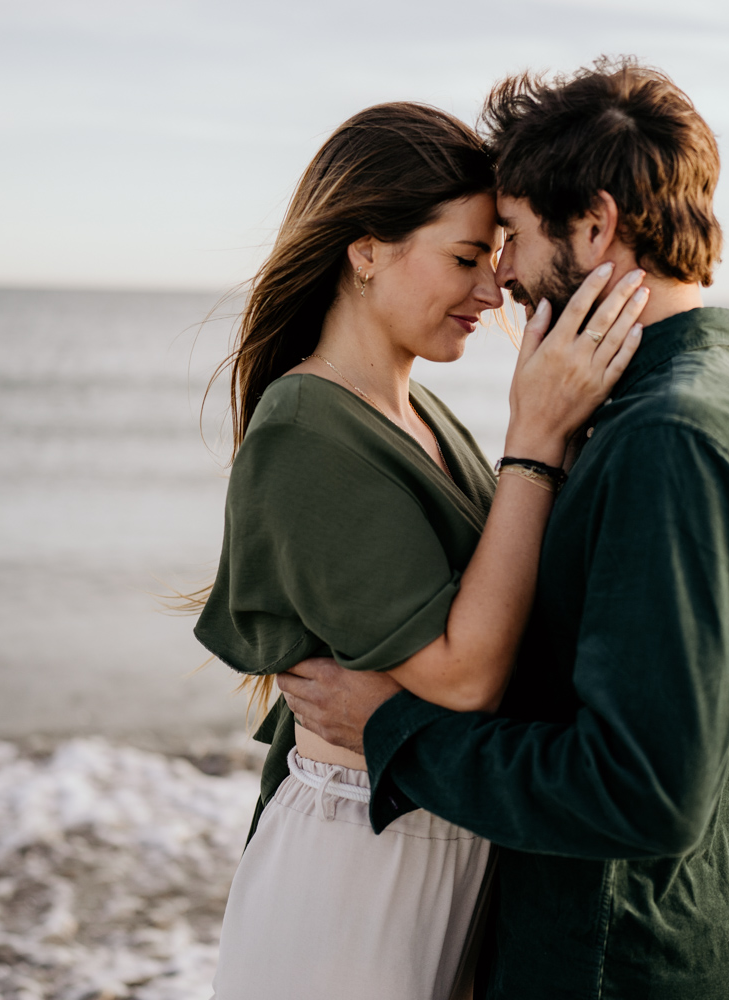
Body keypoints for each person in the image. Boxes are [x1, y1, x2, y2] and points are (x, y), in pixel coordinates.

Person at [277, 58, 729, 999]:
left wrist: (394, 730)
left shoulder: (668, 440)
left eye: (513, 235)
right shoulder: (701, 410)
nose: (508, 274)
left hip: (608, 970)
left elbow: (640, 791)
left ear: (596, 225)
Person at [192, 102, 647, 1000]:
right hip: (355, 871)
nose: (493, 291)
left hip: (442, 843)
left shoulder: (422, 416)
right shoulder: (306, 426)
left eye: (495, 256)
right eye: (467, 259)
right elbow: (465, 675)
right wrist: (535, 438)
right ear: (366, 250)